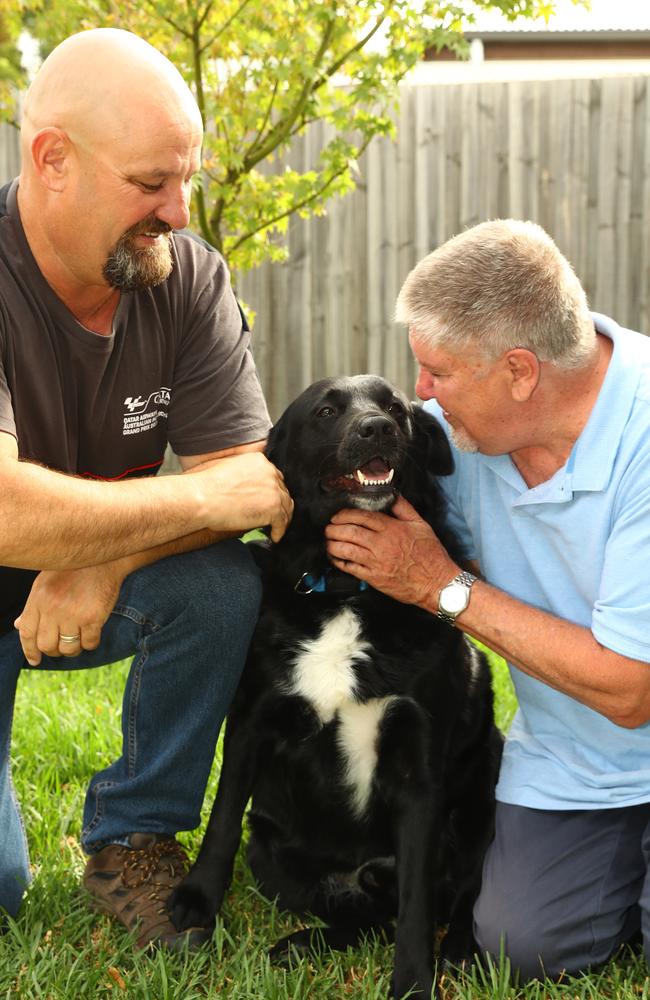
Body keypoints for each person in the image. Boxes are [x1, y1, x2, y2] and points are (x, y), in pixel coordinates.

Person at [0, 28, 293, 948]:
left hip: (89, 584)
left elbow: (259, 484)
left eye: (189, 178)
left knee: (224, 583)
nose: (178, 208)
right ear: (53, 160)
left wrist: (105, 554)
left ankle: (135, 833)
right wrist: (196, 506)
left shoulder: (189, 277)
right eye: (150, 183)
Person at [325, 218, 650, 980]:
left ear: (519, 371)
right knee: (516, 944)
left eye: (438, 372)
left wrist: (443, 586)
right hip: (572, 763)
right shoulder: (461, 439)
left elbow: (632, 689)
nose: (421, 395)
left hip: (628, 703)